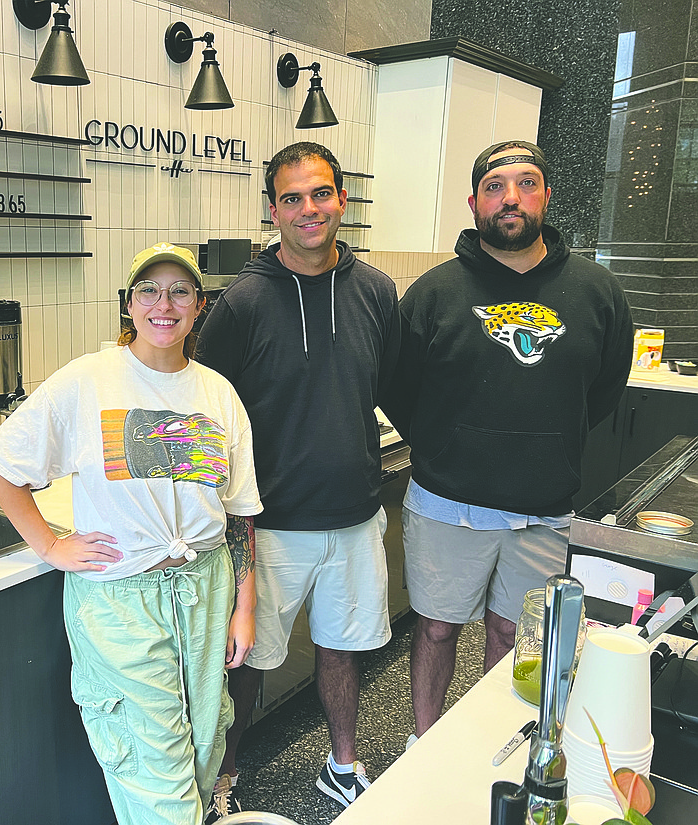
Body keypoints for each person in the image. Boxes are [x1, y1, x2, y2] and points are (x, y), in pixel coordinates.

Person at [0, 242, 263, 825]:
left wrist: (245, 603)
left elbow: (239, 511)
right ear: (129, 304)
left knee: (204, 751)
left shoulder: (217, 392)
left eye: (180, 290)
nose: (165, 303)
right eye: (149, 290)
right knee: (156, 777)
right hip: (121, 604)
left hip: (205, 592)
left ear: (199, 305)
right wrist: (50, 545)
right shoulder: (89, 380)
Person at [382, 140, 633, 741]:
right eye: (495, 186)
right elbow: (395, 384)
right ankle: (425, 743)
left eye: (525, 183)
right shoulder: (435, 293)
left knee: (512, 634)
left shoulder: (596, 292)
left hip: (542, 509)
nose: (510, 197)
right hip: (446, 502)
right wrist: (446, 444)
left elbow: (603, 390)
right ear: (474, 203)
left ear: (547, 195)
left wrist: (544, 442)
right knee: (437, 628)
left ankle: (488, 744)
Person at [197, 142, 401, 817]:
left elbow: (396, 387)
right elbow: (204, 412)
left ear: (342, 198)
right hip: (270, 524)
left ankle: (342, 765)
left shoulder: (375, 290)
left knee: (343, 653)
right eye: (292, 198)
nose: (308, 209)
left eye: (320, 193)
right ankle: (224, 775)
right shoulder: (242, 302)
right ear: (273, 210)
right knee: (248, 662)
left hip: (352, 517)